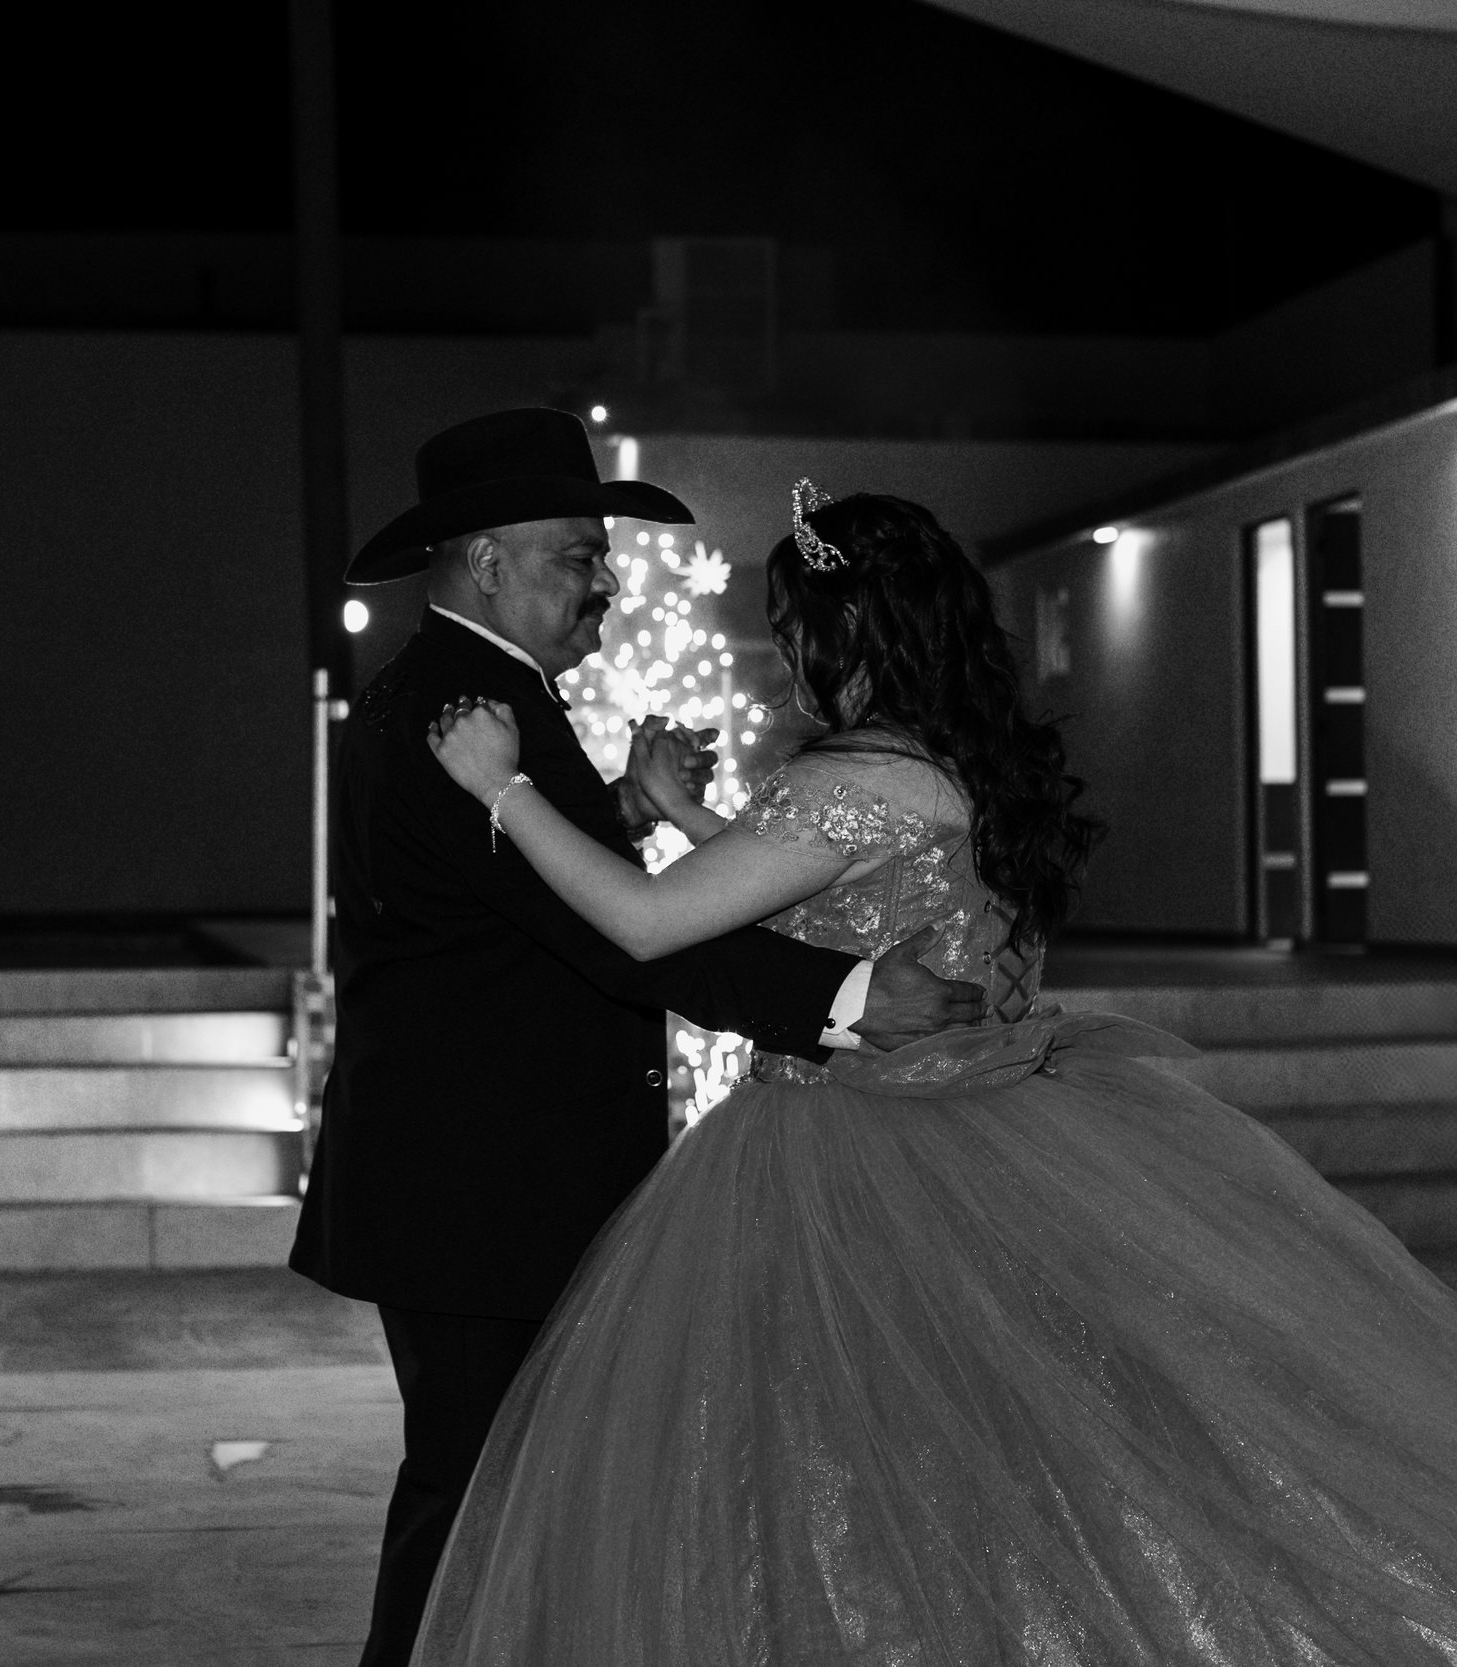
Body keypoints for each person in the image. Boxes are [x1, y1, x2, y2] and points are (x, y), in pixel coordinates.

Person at [409, 484, 1457, 1665]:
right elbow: (831, 909)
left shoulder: (843, 779)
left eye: (794, 623)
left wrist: (500, 785)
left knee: (850, 1476)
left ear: (842, 630)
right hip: (992, 1124)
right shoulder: (949, 767)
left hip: (856, 1158)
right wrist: (680, 808)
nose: (790, 654)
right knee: (1010, 1467)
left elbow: (650, 926)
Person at [288, 413, 988, 1667]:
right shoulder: (466, 709)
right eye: (577, 555)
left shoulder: (468, 691)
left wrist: (620, 807)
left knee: (498, 1491)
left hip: (475, 1176)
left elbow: (514, 896)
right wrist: (844, 998)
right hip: (476, 1190)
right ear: (487, 563)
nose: (605, 582)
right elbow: (626, 938)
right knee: (473, 1496)